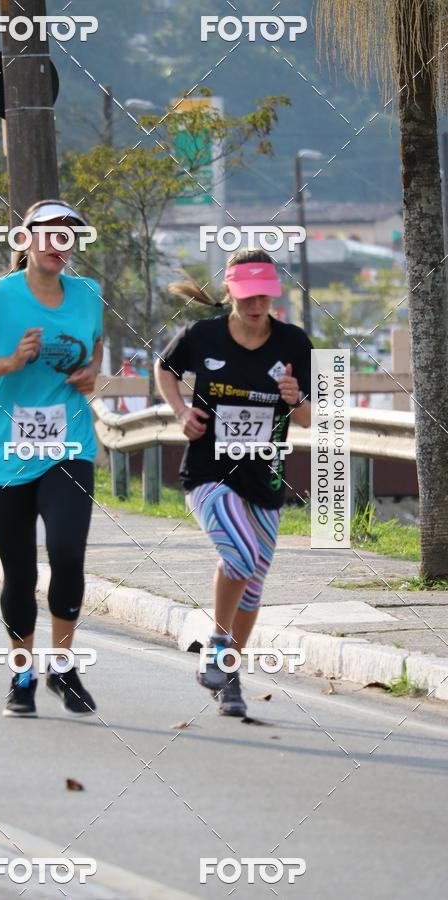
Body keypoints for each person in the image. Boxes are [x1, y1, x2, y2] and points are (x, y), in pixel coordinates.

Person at [0, 200, 103, 718]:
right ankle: (22, 673)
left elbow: (95, 344)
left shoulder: (89, 294)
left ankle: (64, 665)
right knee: (19, 573)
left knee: (68, 551)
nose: (59, 244)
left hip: (68, 446)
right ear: (24, 240)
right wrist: (9, 362)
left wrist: (90, 371)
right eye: (48, 234)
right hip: (5, 454)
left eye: (68, 235)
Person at [155, 249, 312, 717]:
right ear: (230, 293)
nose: (255, 303)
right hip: (208, 472)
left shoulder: (293, 343)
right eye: (246, 294)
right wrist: (182, 411)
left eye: (264, 294)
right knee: (239, 556)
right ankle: (218, 644)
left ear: (274, 295)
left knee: (255, 584)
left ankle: (228, 674)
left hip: (265, 476)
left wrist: (295, 397)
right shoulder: (202, 336)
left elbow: (308, 417)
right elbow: (164, 370)